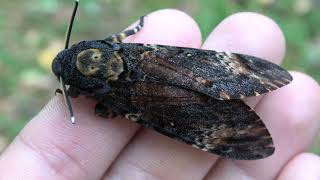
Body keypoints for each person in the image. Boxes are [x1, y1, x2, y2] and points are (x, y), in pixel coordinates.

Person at [0, 10, 319, 180]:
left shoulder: (99, 95)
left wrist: (109, 107)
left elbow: (100, 111)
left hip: (141, 102)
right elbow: (117, 42)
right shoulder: (118, 47)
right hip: (163, 62)